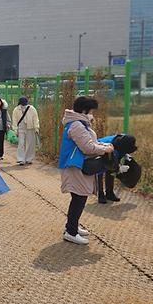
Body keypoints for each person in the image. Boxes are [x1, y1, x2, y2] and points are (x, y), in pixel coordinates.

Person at [58, 97, 114, 245]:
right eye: (91, 111)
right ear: (84, 111)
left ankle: (72, 226)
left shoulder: (79, 123)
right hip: (75, 167)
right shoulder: (77, 125)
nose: (92, 114)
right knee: (79, 198)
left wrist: (102, 145)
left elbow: (90, 143)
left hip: (77, 166)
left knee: (78, 198)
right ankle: (71, 232)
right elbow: (87, 147)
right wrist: (105, 149)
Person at [96, 134, 138, 204]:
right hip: (100, 150)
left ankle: (109, 193)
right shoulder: (113, 147)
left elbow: (123, 150)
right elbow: (113, 164)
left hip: (113, 150)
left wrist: (126, 155)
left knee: (111, 172)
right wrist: (119, 168)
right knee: (100, 171)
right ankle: (100, 194)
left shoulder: (125, 140)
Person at [13, 97, 40, 165]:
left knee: (30, 144)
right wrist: (15, 129)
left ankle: (29, 158)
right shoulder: (16, 109)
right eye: (22, 104)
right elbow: (15, 120)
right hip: (21, 127)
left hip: (30, 127)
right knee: (21, 143)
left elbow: (35, 118)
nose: (23, 106)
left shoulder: (32, 109)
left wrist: (36, 127)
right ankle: (21, 159)